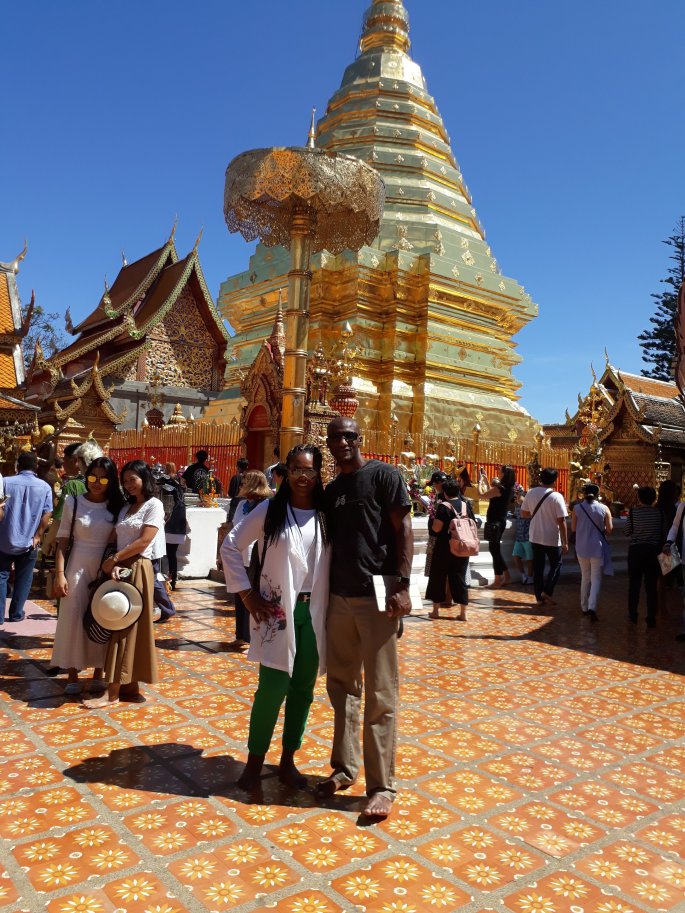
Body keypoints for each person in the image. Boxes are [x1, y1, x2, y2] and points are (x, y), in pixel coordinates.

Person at [319, 416, 413, 819]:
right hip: (339, 596)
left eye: (348, 436)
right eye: (335, 437)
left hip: (378, 596)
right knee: (341, 687)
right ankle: (344, 769)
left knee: (380, 693)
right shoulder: (332, 490)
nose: (341, 442)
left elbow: (403, 528)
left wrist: (404, 585)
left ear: (359, 439)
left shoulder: (383, 476)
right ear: (328, 443)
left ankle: (381, 786)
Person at [221, 444, 331, 790]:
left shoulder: (327, 513)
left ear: (319, 474)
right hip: (277, 610)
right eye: (296, 469)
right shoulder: (270, 510)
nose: (302, 476)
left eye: (309, 470)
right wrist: (247, 594)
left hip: (316, 612)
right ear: (286, 472)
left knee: (303, 690)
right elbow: (231, 545)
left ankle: (288, 760)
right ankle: (254, 763)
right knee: (271, 689)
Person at [84, 460, 162, 708]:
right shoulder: (127, 507)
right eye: (125, 480)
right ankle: (130, 685)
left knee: (125, 627)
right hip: (120, 569)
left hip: (137, 568)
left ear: (144, 478)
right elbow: (115, 538)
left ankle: (112, 693)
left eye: (133, 479)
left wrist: (116, 559)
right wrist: (111, 561)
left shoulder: (154, 505)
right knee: (120, 623)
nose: (128, 485)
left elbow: (144, 541)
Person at [51, 458, 126, 695]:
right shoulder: (74, 502)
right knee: (73, 617)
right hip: (77, 566)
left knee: (103, 616)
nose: (96, 482)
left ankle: (98, 672)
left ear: (111, 480)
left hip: (104, 566)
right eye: (92, 476)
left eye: (103, 478)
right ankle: (72, 672)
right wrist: (60, 574)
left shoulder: (117, 506)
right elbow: (63, 542)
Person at [0, 451, 53, 624]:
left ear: (18, 465)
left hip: (4, 538)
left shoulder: (5, 482)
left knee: (1, 576)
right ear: (36, 467)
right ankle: (16, 614)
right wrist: (38, 536)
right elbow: (47, 513)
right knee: (24, 578)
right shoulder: (44, 487)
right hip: (29, 541)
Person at [226, 471, 272, 651]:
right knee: (240, 595)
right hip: (239, 555)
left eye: (245, 481)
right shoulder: (241, 504)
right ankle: (241, 636)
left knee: (254, 596)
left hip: (256, 556)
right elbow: (233, 527)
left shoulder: (265, 505)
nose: (241, 484)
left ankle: (255, 638)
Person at [426, 477, 475, 621]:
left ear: (445, 492)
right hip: (462, 547)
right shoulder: (465, 505)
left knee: (438, 577)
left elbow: (437, 528)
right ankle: (463, 613)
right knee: (459, 578)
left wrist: (432, 521)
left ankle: (435, 611)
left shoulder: (443, 506)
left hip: (444, 548)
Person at [520, 467, 569, 606]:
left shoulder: (531, 493)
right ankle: (547, 591)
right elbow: (561, 521)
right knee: (556, 564)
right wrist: (565, 542)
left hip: (535, 536)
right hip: (552, 537)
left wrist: (537, 516)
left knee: (538, 567)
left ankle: (538, 597)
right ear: (554, 480)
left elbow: (524, 514)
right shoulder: (557, 496)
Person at [572, 483, 613, 622]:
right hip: (597, 547)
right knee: (596, 578)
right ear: (597, 494)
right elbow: (610, 529)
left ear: (584, 493)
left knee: (585, 576)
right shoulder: (604, 508)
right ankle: (592, 607)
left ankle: (584, 606)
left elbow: (574, 528)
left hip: (581, 546)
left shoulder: (577, 508)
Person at [625, 486, 664, 629]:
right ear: (654, 498)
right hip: (653, 551)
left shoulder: (633, 512)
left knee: (634, 584)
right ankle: (651, 616)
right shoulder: (659, 513)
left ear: (639, 498)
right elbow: (664, 532)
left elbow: (627, 532)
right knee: (651, 585)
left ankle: (633, 614)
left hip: (636, 550)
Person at [478, 465, 516, 587]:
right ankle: (507, 576)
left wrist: (479, 482)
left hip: (495, 521)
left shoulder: (500, 488)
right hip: (500, 521)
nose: (498, 472)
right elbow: (492, 493)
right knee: (495, 550)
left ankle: (498, 580)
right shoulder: (507, 488)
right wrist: (486, 480)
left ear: (504, 474)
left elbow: (482, 495)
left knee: (494, 550)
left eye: (500, 471)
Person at [161, 463, 186, 592]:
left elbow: (167, 504)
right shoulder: (178, 483)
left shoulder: (167, 483)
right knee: (172, 554)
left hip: (171, 522)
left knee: (168, 554)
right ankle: (172, 580)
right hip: (179, 522)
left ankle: (170, 580)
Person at [512, 488, 534, 584]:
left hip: (528, 537)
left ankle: (530, 577)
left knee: (530, 558)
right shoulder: (517, 509)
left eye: (519, 496)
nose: (517, 498)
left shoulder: (531, 509)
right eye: (517, 496)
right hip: (519, 537)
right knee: (516, 556)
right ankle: (523, 575)